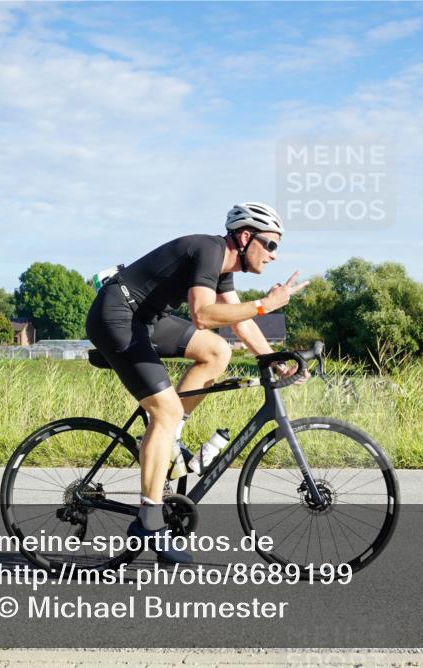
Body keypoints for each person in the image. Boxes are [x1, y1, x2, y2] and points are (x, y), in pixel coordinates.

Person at [85, 202, 309, 563]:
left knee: (217, 352)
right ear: (245, 236)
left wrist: (274, 359)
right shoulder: (209, 249)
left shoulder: (223, 267)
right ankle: (149, 520)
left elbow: (239, 323)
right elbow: (203, 314)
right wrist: (266, 304)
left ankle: (168, 440)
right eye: (270, 245)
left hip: (145, 319)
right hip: (116, 315)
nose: (273, 256)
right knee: (166, 412)